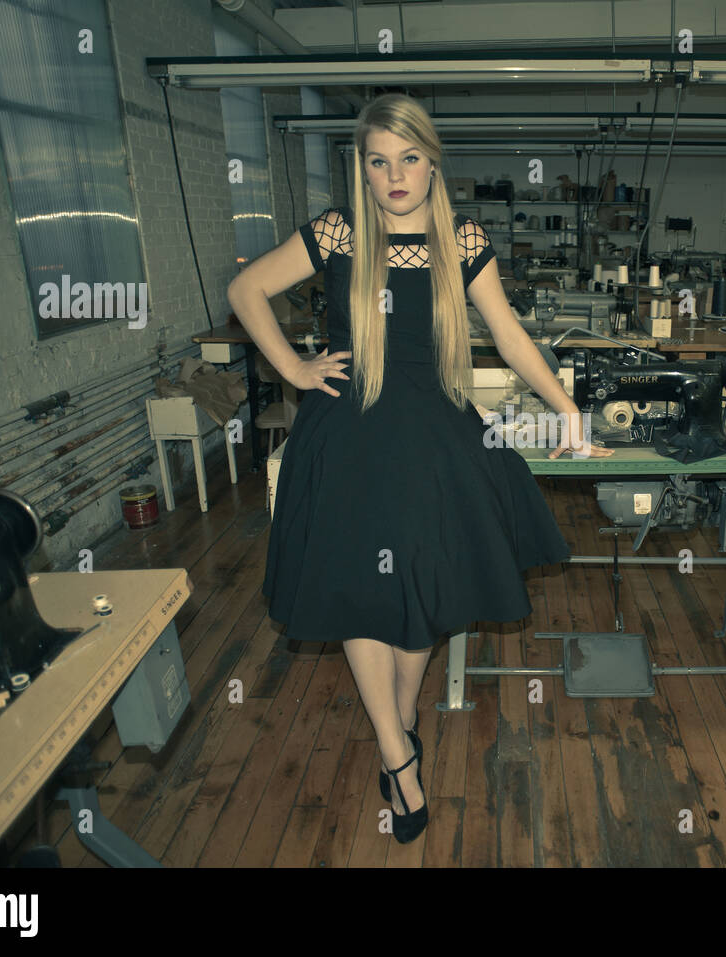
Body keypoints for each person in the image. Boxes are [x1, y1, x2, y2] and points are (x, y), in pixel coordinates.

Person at [227, 93, 613, 845]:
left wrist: (567, 407)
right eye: (378, 161)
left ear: (433, 162)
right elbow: (246, 290)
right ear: (362, 170)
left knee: (423, 592)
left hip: (434, 435)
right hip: (348, 433)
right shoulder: (339, 234)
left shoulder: (461, 240)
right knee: (363, 594)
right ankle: (397, 749)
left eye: (408, 158)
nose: (394, 175)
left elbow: (507, 331)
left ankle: (398, 714)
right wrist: (295, 370)